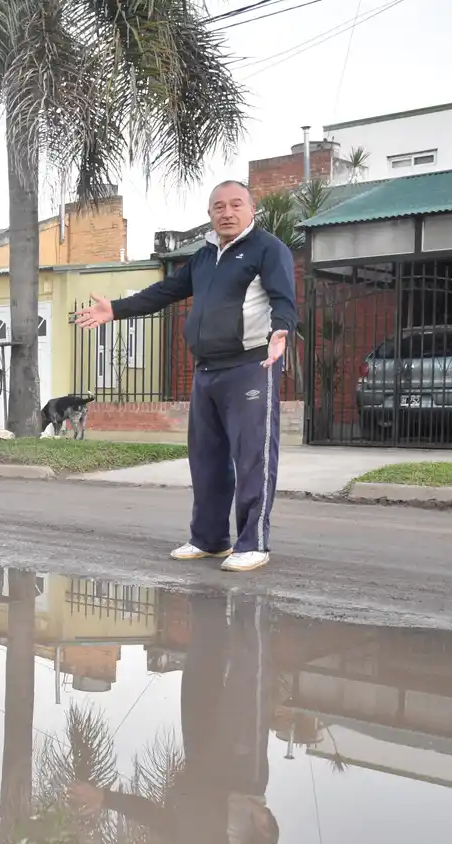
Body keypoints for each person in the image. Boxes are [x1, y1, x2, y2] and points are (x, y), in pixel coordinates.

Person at [76, 180, 296, 572]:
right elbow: (165, 291)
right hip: (208, 369)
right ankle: (210, 539)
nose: (226, 213)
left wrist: (281, 330)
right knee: (206, 460)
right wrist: (117, 309)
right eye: (218, 207)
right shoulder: (204, 256)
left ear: (251, 209)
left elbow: (283, 298)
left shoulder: (267, 249)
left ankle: (254, 543)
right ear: (210, 213)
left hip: (250, 365)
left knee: (252, 458)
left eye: (235, 205)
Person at [70, 591, 281, 844]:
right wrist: (264, 824)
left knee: (199, 672)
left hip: (199, 758)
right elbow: (268, 840)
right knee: (247, 685)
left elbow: (155, 817)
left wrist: (105, 798)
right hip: (240, 773)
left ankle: (208, 602)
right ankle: (253, 609)